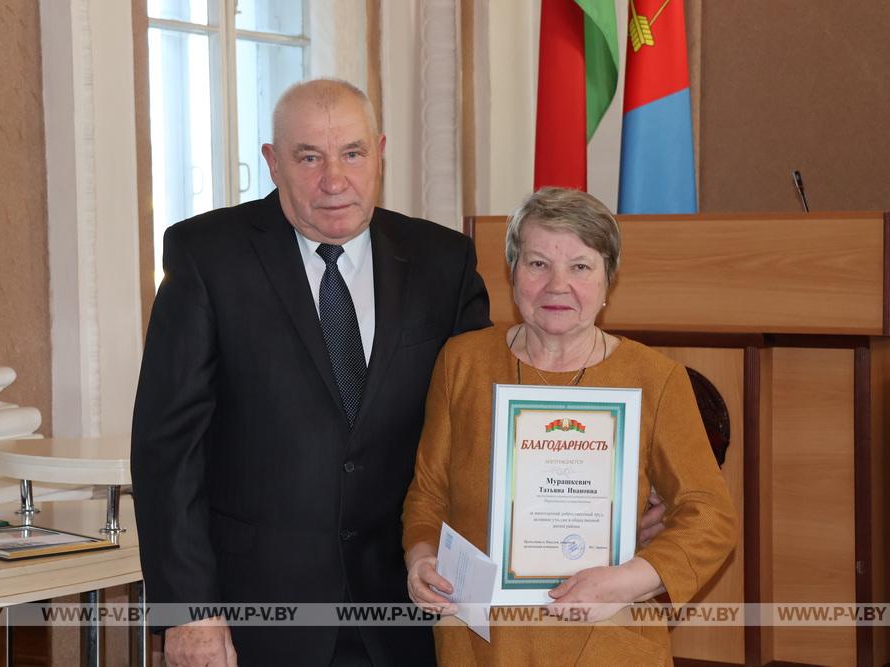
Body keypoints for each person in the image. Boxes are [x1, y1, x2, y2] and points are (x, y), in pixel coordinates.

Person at [130, 78, 491, 667]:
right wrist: (189, 610)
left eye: (352, 153)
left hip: (408, 607)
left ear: (378, 151)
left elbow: (484, 421)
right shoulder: (207, 256)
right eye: (309, 157)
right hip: (257, 617)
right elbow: (168, 450)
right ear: (273, 163)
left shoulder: (442, 261)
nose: (334, 180)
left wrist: (616, 499)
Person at [402, 187, 737, 665]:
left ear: (608, 280)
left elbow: (711, 518)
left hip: (607, 636)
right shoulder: (463, 362)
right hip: (481, 641)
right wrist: (420, 557)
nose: (557, 286)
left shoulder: (656, 379)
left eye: (580, 266)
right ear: (512, 272)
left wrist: (628, 579)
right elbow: (428, 493)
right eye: (538, 264)